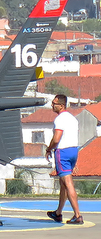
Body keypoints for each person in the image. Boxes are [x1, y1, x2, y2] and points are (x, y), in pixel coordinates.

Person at [46, 94, 82, 224]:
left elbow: (56, 139)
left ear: (61, 105)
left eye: (54, 103)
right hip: (73, 150)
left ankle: (77, 215)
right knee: (63, 184)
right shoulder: (73, 119)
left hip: (63, 152)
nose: (52, 105)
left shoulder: (60, 119)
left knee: (67, 182)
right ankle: (58, 213)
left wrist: (49, 149)